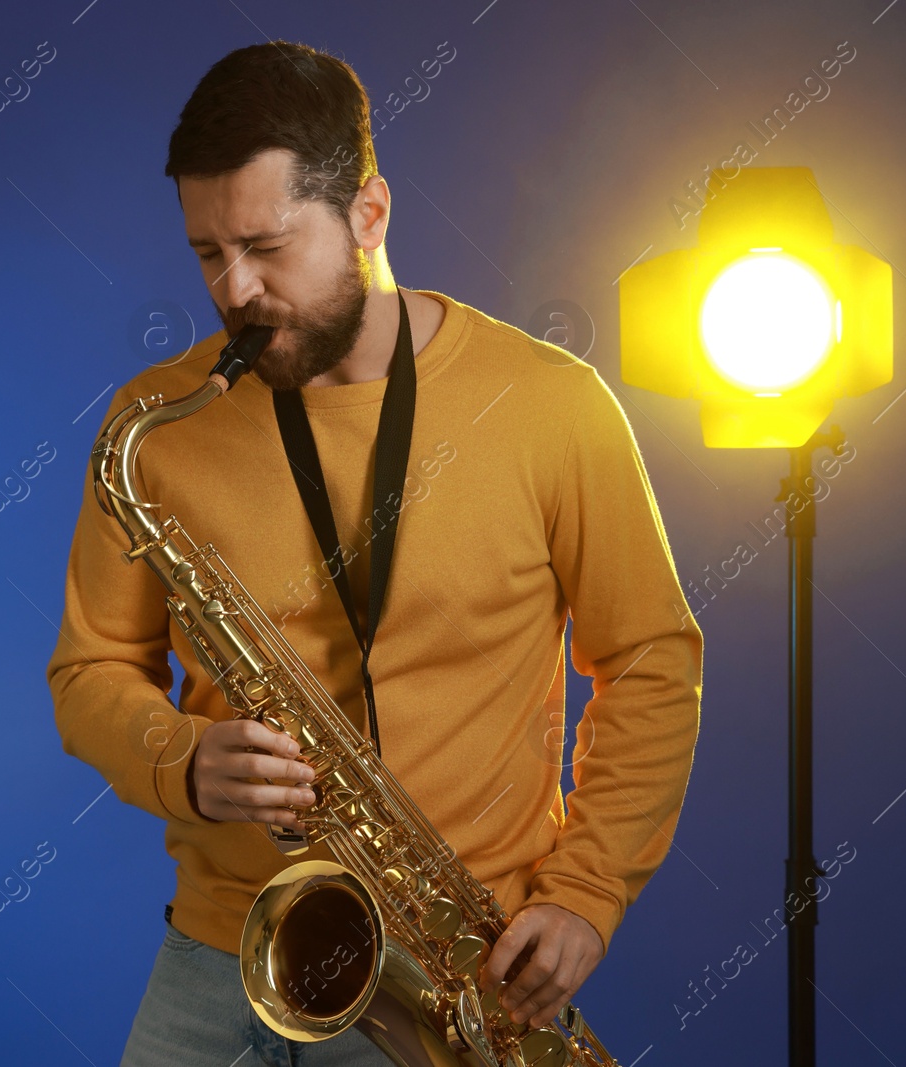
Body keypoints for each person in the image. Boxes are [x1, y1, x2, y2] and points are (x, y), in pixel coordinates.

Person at [46, 39, 703, 1066]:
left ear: (369, 214)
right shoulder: (153, 425)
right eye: (207, 253)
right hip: (223, 954)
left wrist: (586, 889)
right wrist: (182, 760)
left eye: (266, 245)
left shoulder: (550, 405)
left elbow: (653, 660)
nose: (235, 289)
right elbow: (89, 672)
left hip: (454, 977)